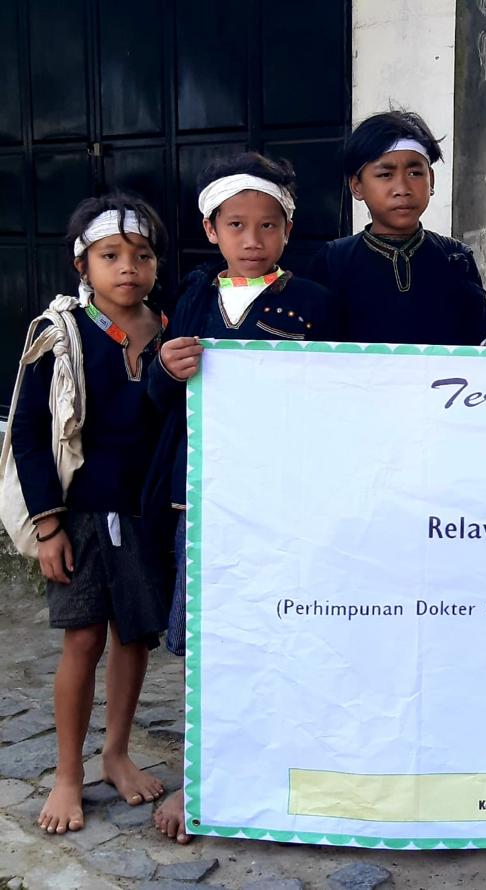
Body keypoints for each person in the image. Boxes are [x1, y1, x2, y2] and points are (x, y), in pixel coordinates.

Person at [146, 152, 339, 843]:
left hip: (282, 504)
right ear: (211, 229)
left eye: (268, 225)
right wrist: (166, 369)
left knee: (283, 632)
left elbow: (339, 402)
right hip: (200, 503)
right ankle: (203, 777)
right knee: (210, 642)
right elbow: (160, 401)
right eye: (236, 225)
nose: (252, 239)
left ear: (288, 230)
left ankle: (284, 768)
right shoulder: (193, 298)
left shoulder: (313, 303)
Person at [9, 193, 171, 833]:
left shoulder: (169, 333)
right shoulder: (61, 335)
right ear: (83, 264)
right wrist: (48, 526)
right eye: (110, 255)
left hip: (142, 513)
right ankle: (68, 774)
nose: (128, 267)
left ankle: (116, 754)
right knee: (82, 639)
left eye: (142, 255)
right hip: (78, 515)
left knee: (134, 637)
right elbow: (28, 433)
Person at [307, 109, 486, 346]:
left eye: (415, 173)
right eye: (385, 174)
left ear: (431, 180)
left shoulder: (456, 258)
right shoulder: (333, 261)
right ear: (357, 186)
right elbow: (315, 353)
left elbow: (479, 350)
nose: (402, 189)